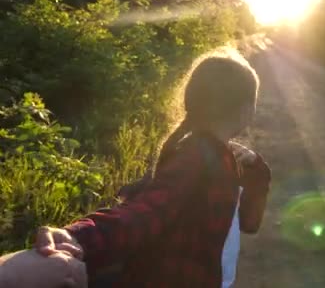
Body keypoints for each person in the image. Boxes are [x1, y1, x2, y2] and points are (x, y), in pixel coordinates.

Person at [33, 56, 272, 287]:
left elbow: (248, 223)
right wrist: (78, 237)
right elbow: (144, 213)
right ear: (245, 111)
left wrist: (256, 171)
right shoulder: (195, 158)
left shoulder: (225, 158)